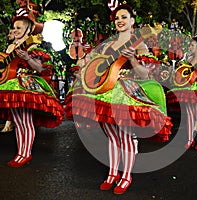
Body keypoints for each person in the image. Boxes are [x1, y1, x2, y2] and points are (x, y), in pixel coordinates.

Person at [64, 3, 172, 195]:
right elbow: (93, 64)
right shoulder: (108, 44)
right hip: (106, 90)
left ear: (132, 21)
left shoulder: (139, 43)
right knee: (111, 135)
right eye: (117, 18)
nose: (120, 21)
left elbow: (145, 74)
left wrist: (132, 60)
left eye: (124, 17)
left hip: (126, 91)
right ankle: (113, 173)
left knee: (124, 135)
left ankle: (126, 175)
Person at [0, 7, 64, 167]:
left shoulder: (33, 47)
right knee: (17, 119)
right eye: (14, 27)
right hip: (12, 84)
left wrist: (28, 58)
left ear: (28, 29)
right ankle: (20, 152)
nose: (15, 30)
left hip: (28, 84)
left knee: (25, 120)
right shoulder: (10, 49)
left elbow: (40, 68)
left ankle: (25, 153)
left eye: (19, 27)